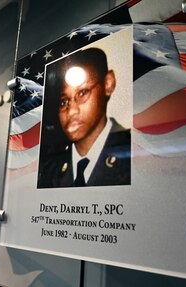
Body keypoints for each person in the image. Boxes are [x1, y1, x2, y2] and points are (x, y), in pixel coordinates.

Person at [37, 47, 131, 188]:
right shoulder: (49, 170)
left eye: (82, 92)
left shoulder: (133, 153)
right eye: (64, 101)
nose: (72, 111)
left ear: (108, 83)